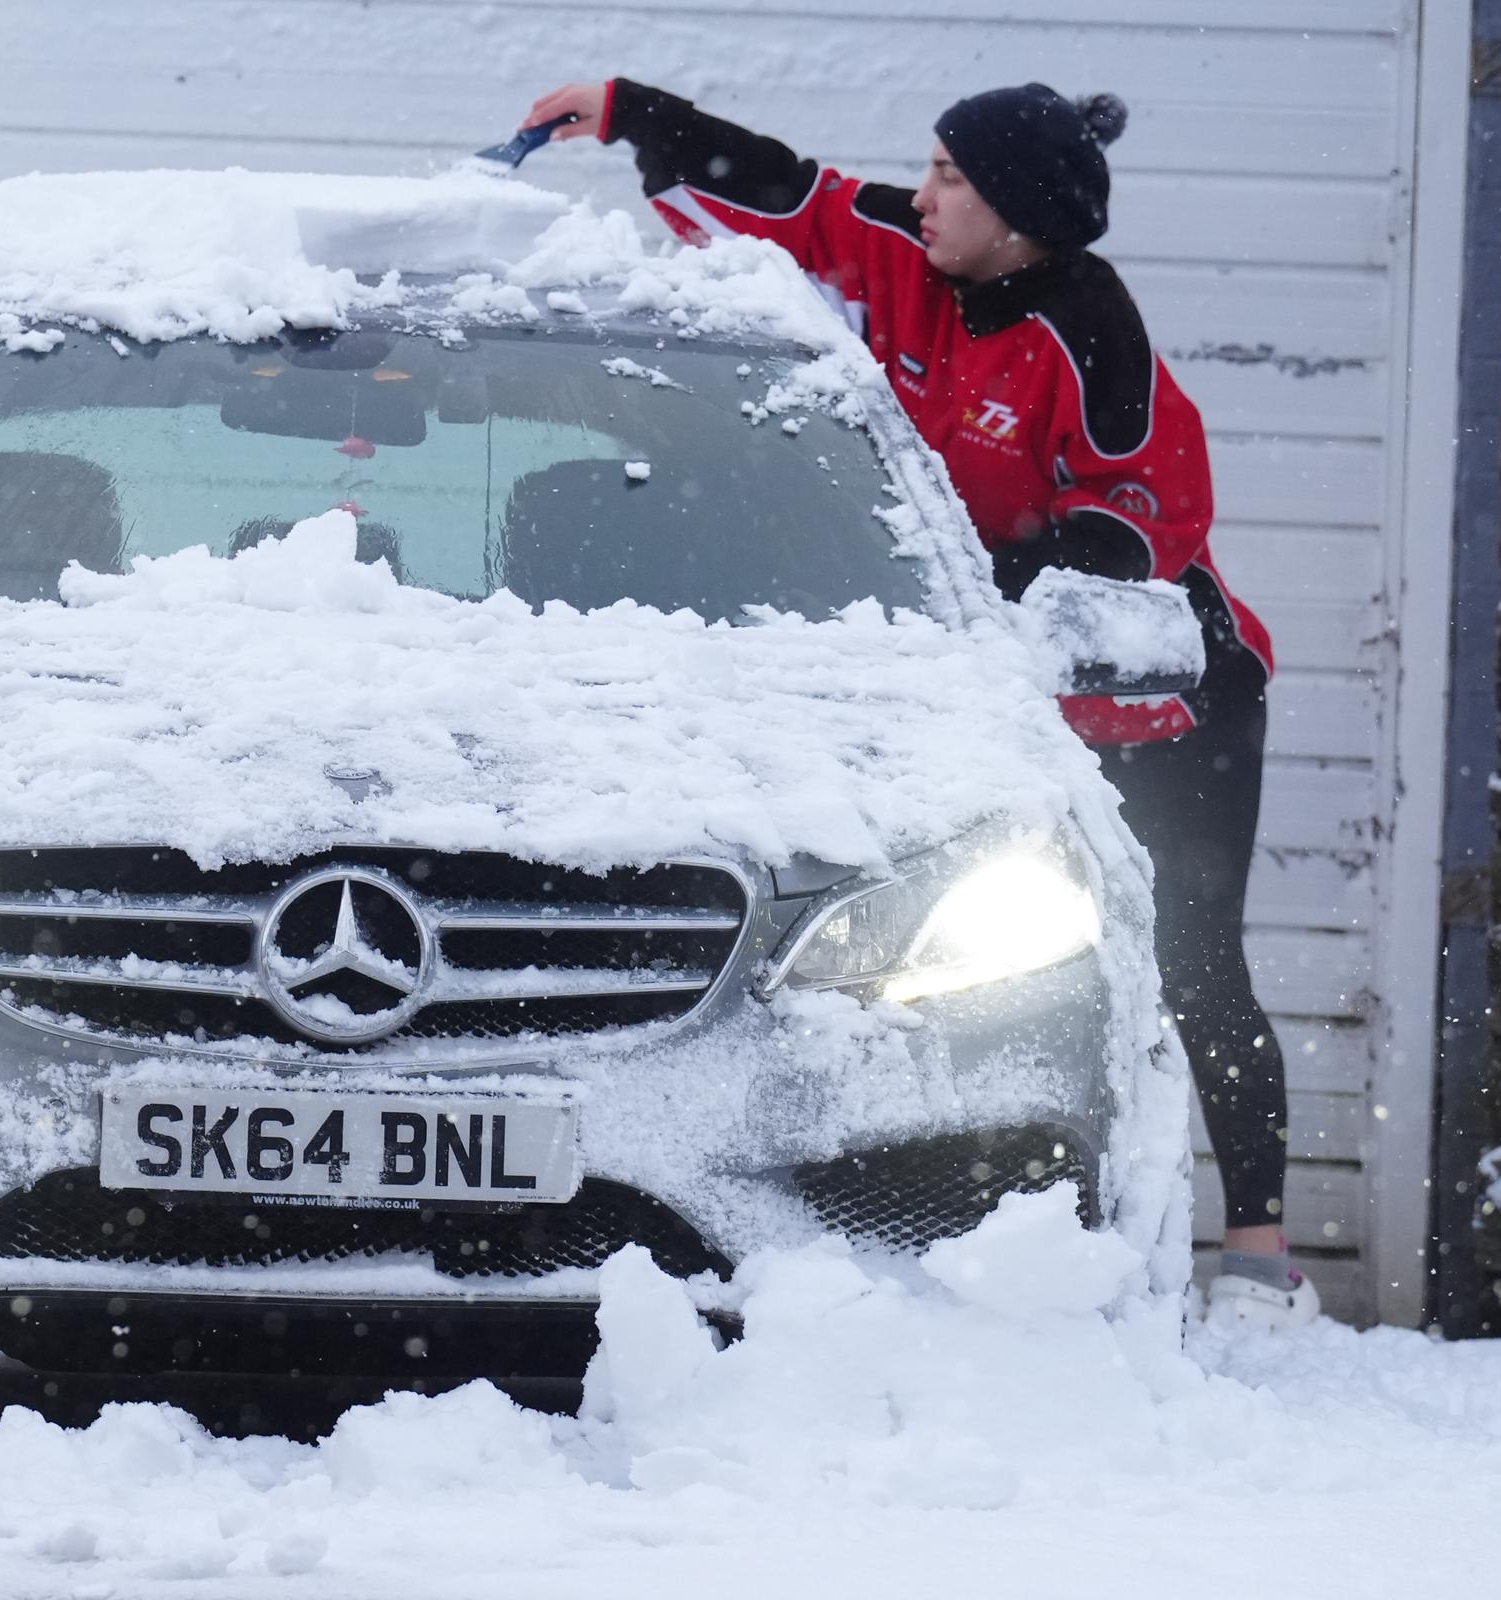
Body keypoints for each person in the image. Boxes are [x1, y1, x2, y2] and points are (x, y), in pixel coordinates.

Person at [521, 78, 1318, 1329]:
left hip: (1160, 691)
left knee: (1190, 964)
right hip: (991, 689)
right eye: (931, 169)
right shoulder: (910, 251)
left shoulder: (1089, 329)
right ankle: (991, 1237)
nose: (924, 192)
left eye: (951, 175)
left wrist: (979, 588)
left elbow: (1134, 520)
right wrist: (628, 111)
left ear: (1019, 212)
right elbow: (792, 196)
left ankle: (1262, 1258)